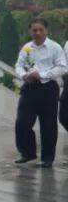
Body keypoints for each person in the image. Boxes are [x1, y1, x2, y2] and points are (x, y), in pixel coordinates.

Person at [14, 18, 67, 167]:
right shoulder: (27, 48)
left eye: (40, 30)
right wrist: (23, 75)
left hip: (48, 88)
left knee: (48, 124)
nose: (37, 33)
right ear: (30, 31)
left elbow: (62, 67)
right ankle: (28, 153)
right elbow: (19, 65)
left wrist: (43, 75)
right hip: (29, 87)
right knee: (22, 122)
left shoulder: (54, 47)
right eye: (34, 30)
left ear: (46, 31)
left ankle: (48, 158)